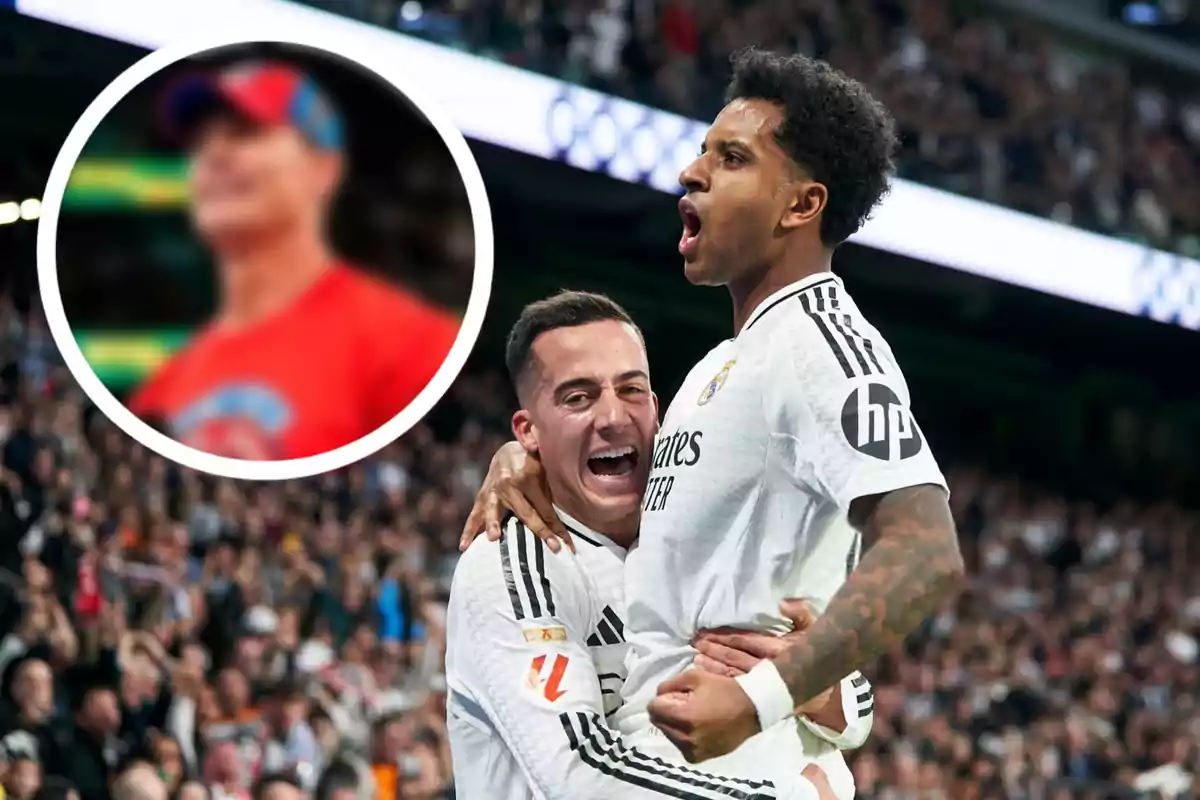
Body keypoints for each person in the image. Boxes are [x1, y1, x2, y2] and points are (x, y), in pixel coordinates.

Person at [462, 47, 965, 766]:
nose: (691, 172)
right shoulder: (720, 366)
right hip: (657, 755)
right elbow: (665, 540)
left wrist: (763, 697)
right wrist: (525, 457)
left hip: (742, 767)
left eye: (731, 159)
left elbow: (926, 550)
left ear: (800, 204)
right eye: (704, 152)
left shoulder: (823, 343)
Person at [447, 292, 872, 800]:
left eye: (630, 390)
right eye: (577, 397)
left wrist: (815, 688)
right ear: (528, 430)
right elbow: (578, 774)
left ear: (657, 411)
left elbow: (854, 704)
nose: (612, 417)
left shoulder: (698, 523)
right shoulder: (510, 566)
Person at [128, 60, 461, 460]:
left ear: (323, 168)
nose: (213, 154)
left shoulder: (413, 344)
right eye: (199, 142)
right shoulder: (162, 387)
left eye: (245, 132)